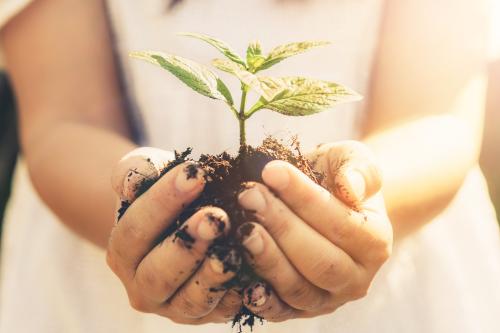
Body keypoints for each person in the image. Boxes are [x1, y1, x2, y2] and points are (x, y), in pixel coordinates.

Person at [1, 0, 499, 332]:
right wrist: (145, 210)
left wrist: (358, 201)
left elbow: (433, 116)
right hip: (98, 271)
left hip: (396, 291)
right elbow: (62, 120)